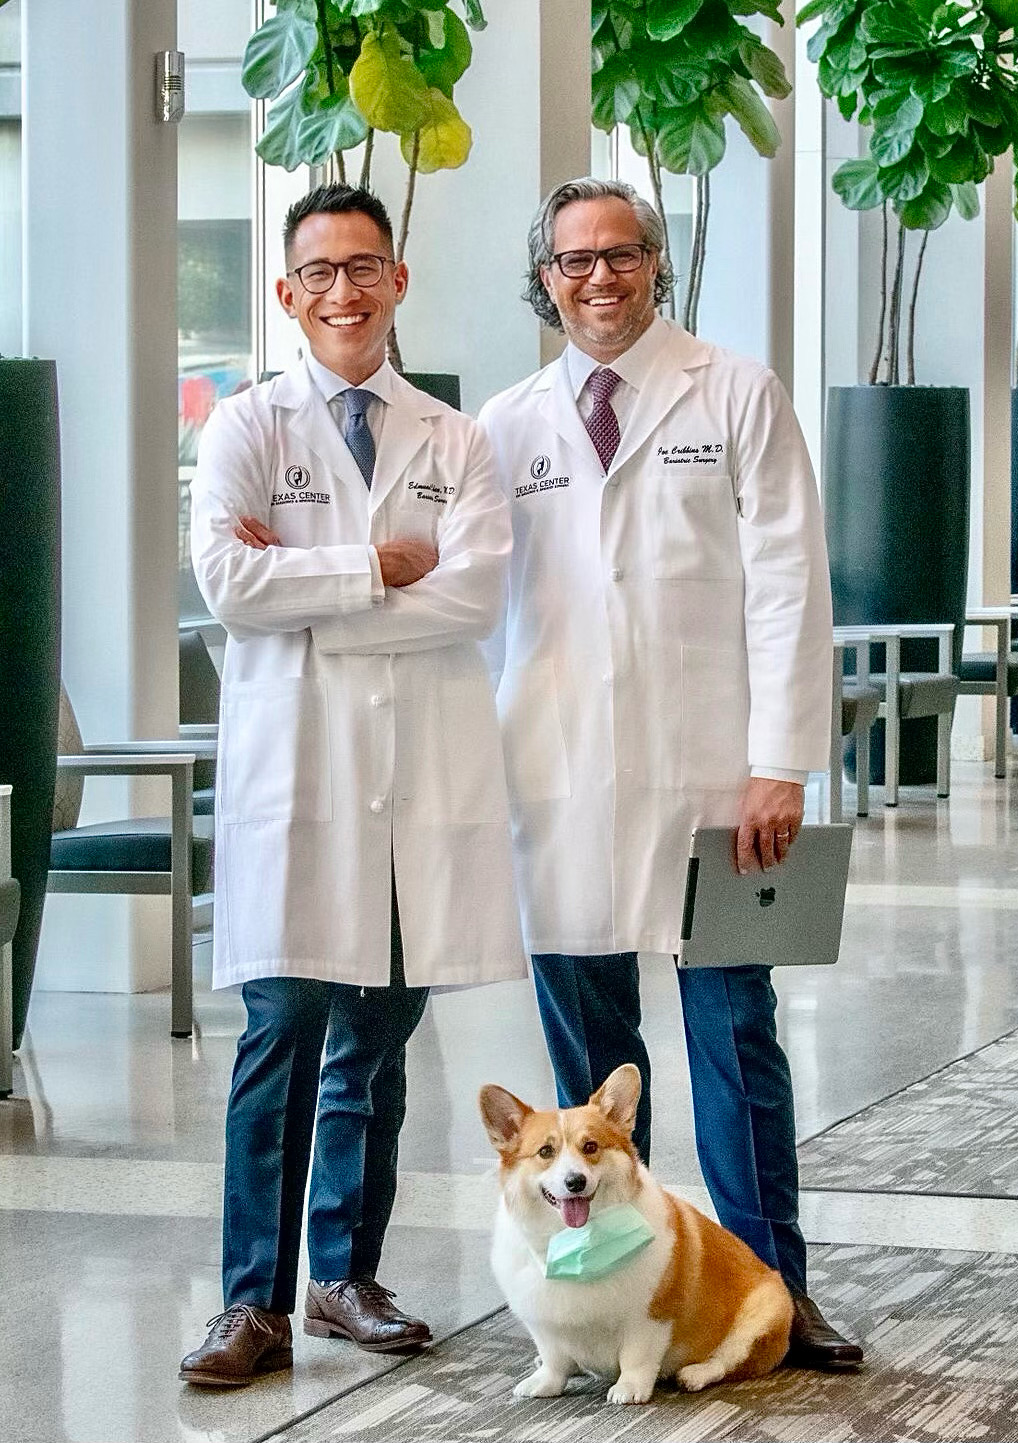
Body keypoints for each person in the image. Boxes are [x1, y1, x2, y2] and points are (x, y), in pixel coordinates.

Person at [478, 177, 862, 1371]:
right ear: (542, 279)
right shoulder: (504, 425)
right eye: (571, 260)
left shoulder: (735, 392)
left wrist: (779, 761)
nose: (597, 277)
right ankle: (593, 1302)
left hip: (716, 779)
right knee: (581, 1096)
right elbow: (480, 608)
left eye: (621, 254)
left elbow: (793, 581)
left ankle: (776, 1292)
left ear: (657, 263)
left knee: (736, 1038)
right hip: (553, 778)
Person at [181, 183, 525, 1387]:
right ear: (285, 294)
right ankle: (248, 1304)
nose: (343, 289)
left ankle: (342, 1277)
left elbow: (474, 599)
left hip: (413, 788)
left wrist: (318, 594)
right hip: (300, 782)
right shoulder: (245, 428)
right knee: (279, 1038)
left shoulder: (452, 437)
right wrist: (377, 569)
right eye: (318, 271)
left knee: (376, 1050)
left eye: (363, 267)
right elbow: (228, 585)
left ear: (398, 282)